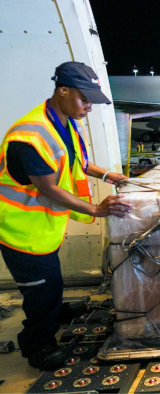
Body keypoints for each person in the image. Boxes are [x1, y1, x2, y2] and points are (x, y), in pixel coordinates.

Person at [0, 62, 132, 370]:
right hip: (20, 230)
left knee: (52, 281)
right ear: (62, 89)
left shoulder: (65, 121)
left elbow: (79, 161)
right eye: (84, 99)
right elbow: (48, 188)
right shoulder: (29, 136)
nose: (88, 107)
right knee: (41, 290)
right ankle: (38, 346)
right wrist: (97, 210)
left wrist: (107, 175)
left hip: (44, 227)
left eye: (92, 101)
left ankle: (55, 311)